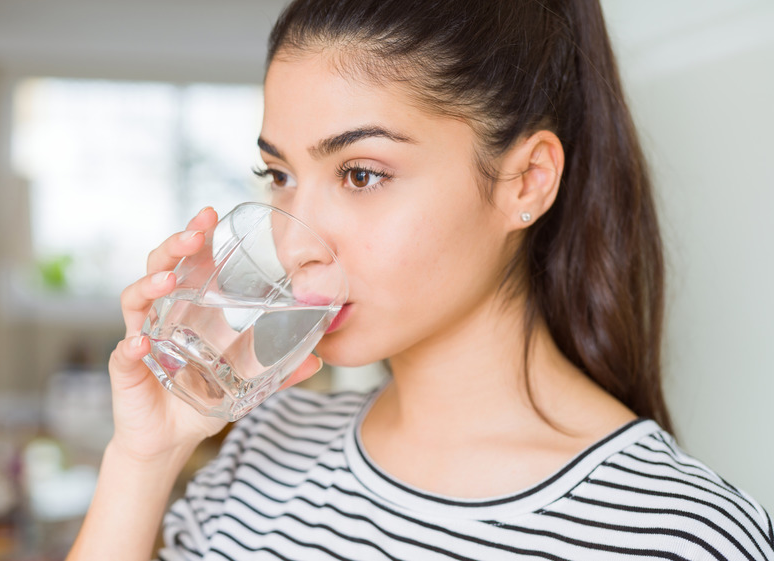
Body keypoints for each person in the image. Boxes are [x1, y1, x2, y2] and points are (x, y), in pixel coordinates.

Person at [68, 0, 774, 559]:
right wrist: (144, 457)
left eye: (361, 174)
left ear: (524, 180)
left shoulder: (677, 534)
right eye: (279, 176)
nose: (292, 244)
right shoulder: (267, 443)